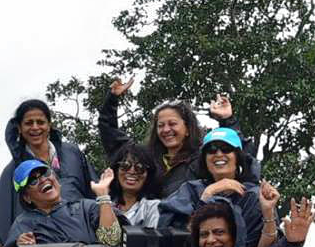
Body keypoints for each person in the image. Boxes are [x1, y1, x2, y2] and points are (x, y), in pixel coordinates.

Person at [0, 99, 99, 247]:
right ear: (20, 129)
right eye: (29, 123)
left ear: (50, 125)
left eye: (40, 122)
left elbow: (96, 193)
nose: (35, 127)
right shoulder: (15, 170)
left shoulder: (72, 154)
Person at [96, 77, 239, 198]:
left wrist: (228, 119)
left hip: (184, 224)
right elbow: (111, 135)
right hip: (146, 225)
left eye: (172, 124)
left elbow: (233, 152)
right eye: (161, 125)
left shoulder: (200, 159)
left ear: (188, 128)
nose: (166, 130)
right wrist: (112, 99)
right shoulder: (147, 157)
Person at [159, 128, 273, 247]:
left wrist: (269, 212)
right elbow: (169, 235)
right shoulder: (189, 190)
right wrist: (208, 194)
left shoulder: (253, 196)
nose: (218, 154)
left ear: (238, 157)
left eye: (226, 149)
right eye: (211, 150)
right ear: (204, 159)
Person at [4, 160, 123, 247]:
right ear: (27, 197)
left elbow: (111, 242)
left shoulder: (86, 208)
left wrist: (103, 196)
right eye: (33, 181)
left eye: (45, 173)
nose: (42, 180)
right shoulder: (23, 223)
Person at [187, 197, 312, 247]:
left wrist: (292, 243)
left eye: (219, 232)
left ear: (233, 235)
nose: (210, 240)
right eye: (204, 235)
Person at [104, 142, 164, 231]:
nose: (132, 171)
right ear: (116, 170)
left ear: (148, 174)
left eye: (140, 168)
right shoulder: (105, 203)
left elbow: (152, 242)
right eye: (125, 166)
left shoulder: (153, 208)